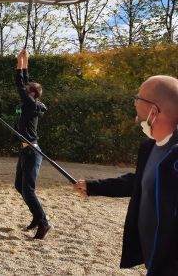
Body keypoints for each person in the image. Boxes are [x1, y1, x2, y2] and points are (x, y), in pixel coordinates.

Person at [74, 75, 178, 275]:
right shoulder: (150, 147)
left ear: (154, 111)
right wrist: (94, 186)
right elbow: (138, 182)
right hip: (153, 259)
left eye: (139, 97)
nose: (135, 102)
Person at [14, 48, 50, 239]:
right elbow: (25, 83)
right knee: (19, 187)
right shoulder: (31, 103)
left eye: (28, 91)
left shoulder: (30, 104)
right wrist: (24, 61)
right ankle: (37, 217)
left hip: (31, 152)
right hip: (25, 151)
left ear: (33, 94)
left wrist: (18, 65)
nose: (24, 91)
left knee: (27, 189)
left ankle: (43, 223)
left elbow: (20, 84)